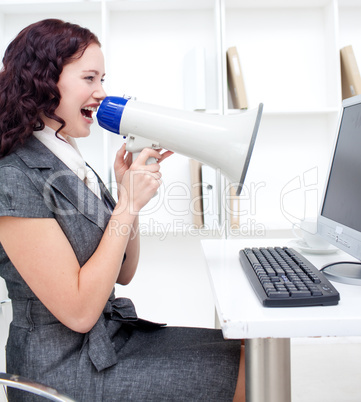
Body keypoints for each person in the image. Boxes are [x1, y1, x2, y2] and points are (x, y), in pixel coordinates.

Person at [0, 19, 245, 401]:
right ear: (43, 80)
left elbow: (125, 272)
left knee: (248, 354)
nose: (101, 93)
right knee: (246, 374)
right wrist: (126, 206)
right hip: (63, 368)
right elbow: (80, 312)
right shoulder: (14, 176)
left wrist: (125, 195)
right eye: (90, 78)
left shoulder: (66, 158)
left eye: (102, 79)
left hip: (110, 343)